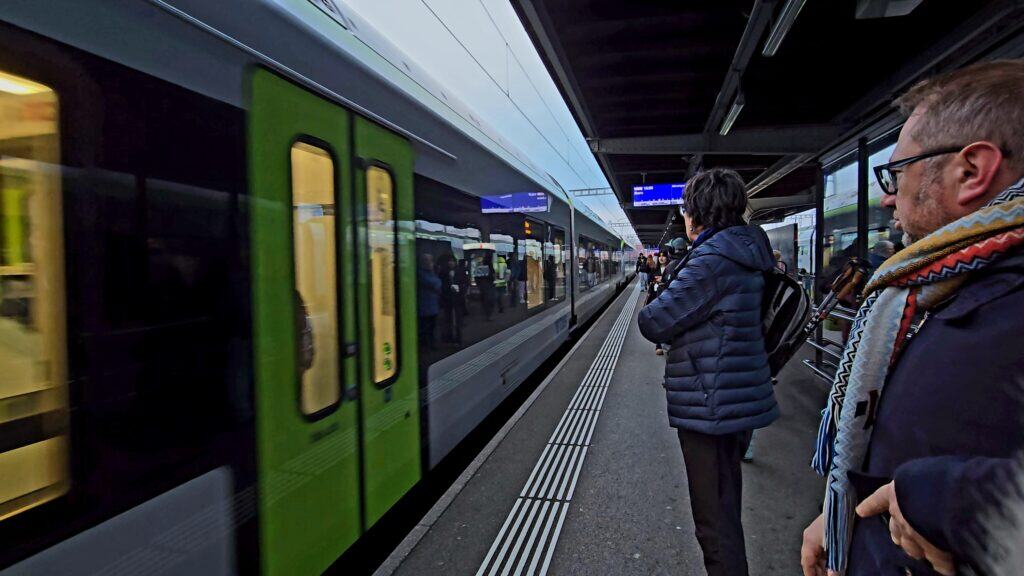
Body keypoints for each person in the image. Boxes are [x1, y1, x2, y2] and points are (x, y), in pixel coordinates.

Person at [801, 60, 1024, 576]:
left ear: (971, 171)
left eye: (896, 173)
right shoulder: (938, 289)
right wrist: (841, 519)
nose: (886, 196)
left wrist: (951, 503)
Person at [638, 168, 778, 576]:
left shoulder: (713, 260)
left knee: (715, 524)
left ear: (696, 212)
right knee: (724, 510)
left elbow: (653, 321)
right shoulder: (748, 248)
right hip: (734, 396)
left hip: (711, 403)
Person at [417, 253, 441, 350]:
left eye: (430, 260)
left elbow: (438, 283)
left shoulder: (431, 273)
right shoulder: (421, 273)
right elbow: (435, 283)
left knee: (431, 327)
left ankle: (429, 344)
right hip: (424, 307)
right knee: (425, 327)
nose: (430, 263)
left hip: (432, 306)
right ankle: (426, 345)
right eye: (427, 260)